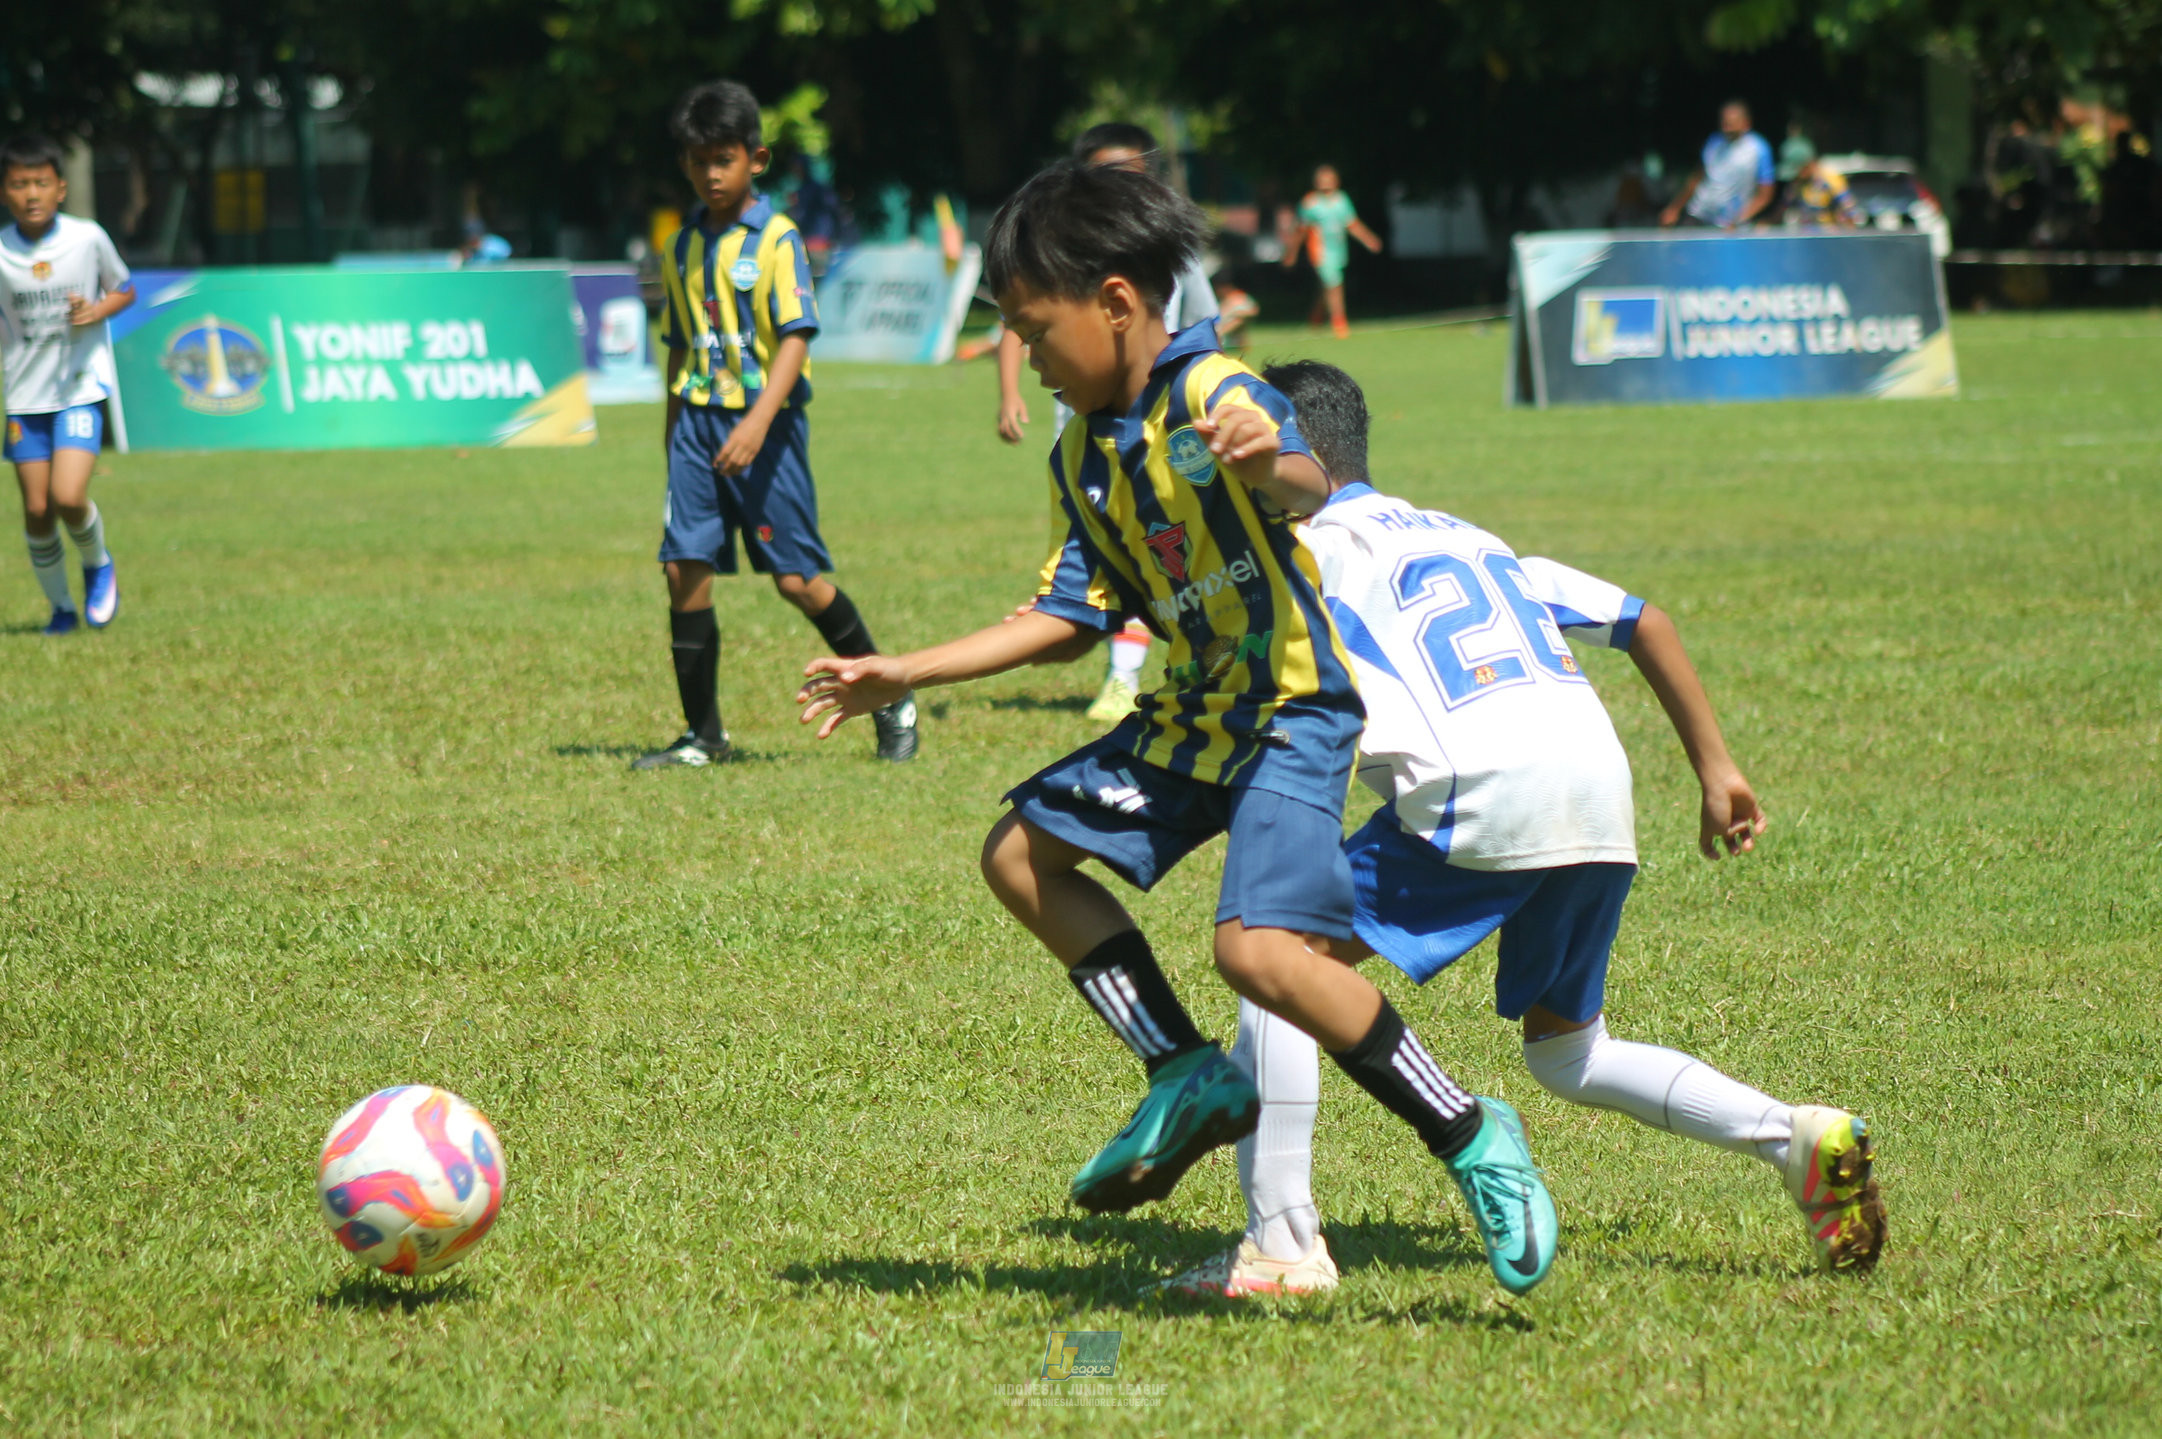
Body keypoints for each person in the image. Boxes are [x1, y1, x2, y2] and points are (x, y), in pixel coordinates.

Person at [799, 163, 1559, 1296]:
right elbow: (1066, 621)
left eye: (1032, 330)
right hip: (1192, 716)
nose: (1027, 355)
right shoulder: (1082, 457)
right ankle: (1184, 1070)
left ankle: (1470, 1131)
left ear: (1114, 302)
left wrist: (1271, 460)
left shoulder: (1212, 394)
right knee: (1019, 853)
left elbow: (1296, 472)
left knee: (1253, 951)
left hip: (1290, 712)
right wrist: (901, 668)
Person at [1162, 361, 1885, 1298]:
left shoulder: (1314, 551)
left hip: (1486, 793)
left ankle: (1283, 1247)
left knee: (1274, 958)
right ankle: (1794, 1134)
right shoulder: (1473, 537)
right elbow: (1644, 620)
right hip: (1597, 793)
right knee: (1567, 1049)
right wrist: (1718, 769)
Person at [641, 79, 918, 769]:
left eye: (724, 159)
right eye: (699, 159)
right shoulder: (679, 249)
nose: (711, 173)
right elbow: (678, 346)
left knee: (795, 579)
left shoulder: (776, 239)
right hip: (697, 430)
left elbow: (795, 337)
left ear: (755, 160)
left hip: (765, 427)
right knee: (684, 570)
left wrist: (759, 421)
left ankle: (892, 693)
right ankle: (703, 736)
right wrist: (671, 438)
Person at [994, 122, 1221, 725]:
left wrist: (1252, 441)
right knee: (1120, 554)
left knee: (1170, 545)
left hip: (1165, 426)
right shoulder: (1055, 260)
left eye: (1133, 179)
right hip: (1091, 427)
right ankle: (1133, 667)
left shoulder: (1209, 385)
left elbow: (1207, 320)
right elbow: (1017, 325)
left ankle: (1136, 675)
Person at [1, 133, 131, 635]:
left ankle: (98, 563)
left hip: (78, 387)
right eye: (18, 184)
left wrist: (95, 310)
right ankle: (60, 609)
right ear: (4, 192)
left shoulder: (87, 237)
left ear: (60, 189)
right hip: (23, 396)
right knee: (36, 509)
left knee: (68, 496)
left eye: (40, 183)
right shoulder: (1, 251)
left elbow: (124, 288)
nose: (30, 194)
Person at [1285, 165, 1382, 338]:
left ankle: (1316, 318)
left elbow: (1352, 224)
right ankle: (1339, 322)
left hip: (1338, 249)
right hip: (1320, 251)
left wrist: (1369, 239)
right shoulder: (1310, 202)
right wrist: (1291, 253)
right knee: (1334, 284)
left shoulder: (1341, 200)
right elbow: (1301, 230)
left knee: (1327, 286)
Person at [1661, 101, 1777, 230]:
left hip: (1729, 225)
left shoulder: (1760, 148)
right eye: (1724, 123)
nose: (1726, 128)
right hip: (1698, 216)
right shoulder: (1713, 141)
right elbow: (1697, 178)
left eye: (1731, 124)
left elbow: (1765, 195)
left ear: (1746, 123)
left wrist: (1738, 220)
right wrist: (1674, 208)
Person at [1785, 156, 1866, 229]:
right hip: (1808, 232)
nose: (1798, 174)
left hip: (1828, 232)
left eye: (1800, 169)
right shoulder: (1800, 184)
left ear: (1809, 165)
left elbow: (1848, 204)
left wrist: (1850, 225)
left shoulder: (1830, 179)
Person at [1212, 274, 1259, 353]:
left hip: (1226, 336)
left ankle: (1217, 337)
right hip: (1219, 333)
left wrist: (1236, 314)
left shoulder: (1239, 299)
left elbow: (1252, 312)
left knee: (1238, 320)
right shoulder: (1221, 300)